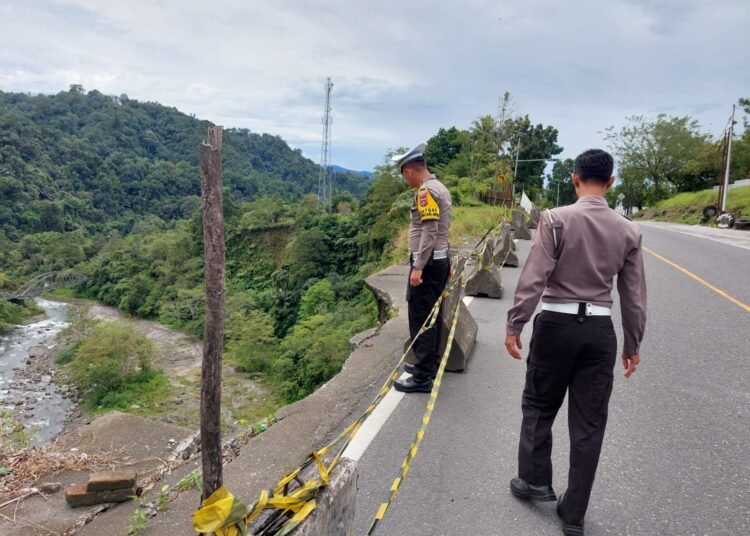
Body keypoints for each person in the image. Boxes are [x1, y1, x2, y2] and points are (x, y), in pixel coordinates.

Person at [504, 149, 646, 536]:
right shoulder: (629, 231)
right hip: (599, 331)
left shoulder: (555, 219)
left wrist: (516, 322)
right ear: (611, 182)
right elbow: (633, 296)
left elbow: (535, 276)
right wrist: (632, 344)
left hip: (555, 324)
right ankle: (574, 513)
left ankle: (534, 480)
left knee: (538, 401)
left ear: (574, 178)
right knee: (589, 423)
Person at [391, 143, 452, 393]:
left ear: (409, 171)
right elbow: (442, 228)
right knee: (432, 315)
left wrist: (418, 267)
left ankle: (423, 377)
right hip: (438, 260)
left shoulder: (425, 192)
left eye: (404, 175)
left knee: (421, 317)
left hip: (427, 264)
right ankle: (427, 364)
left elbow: (429, 231)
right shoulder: (440, 187)